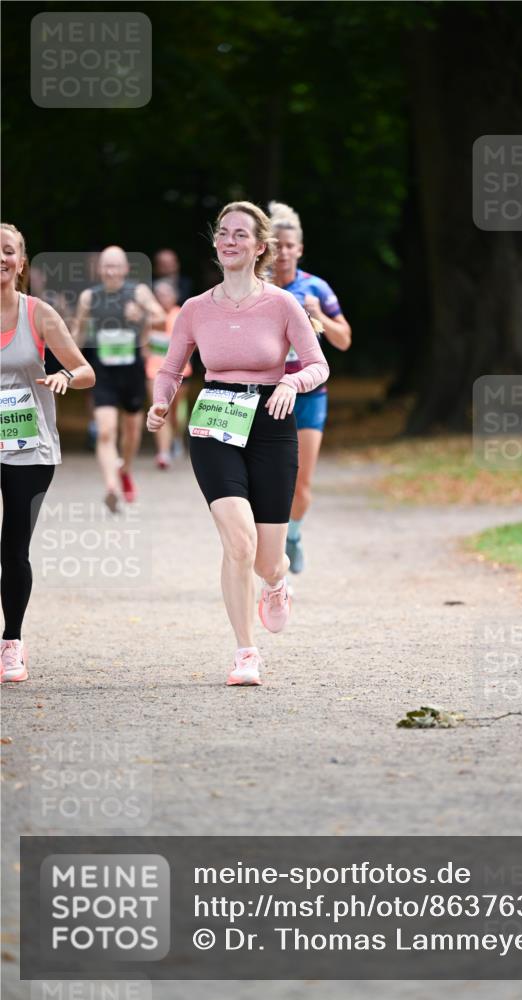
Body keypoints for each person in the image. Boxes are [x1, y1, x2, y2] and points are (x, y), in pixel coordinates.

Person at [147, 201, 329, 686]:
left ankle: (276, 581)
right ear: (215, 243)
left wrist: (291, 383)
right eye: (223, 233)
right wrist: (161, 402)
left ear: (260, 247)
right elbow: (170, 369)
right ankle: (246, 652)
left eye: (241, 234)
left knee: (267, 558)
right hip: (215, 419)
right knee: (238, 542)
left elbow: (318, 365)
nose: (229, 240)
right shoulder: (195, 308)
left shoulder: (282, 304)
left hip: (271, 420)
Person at [1, 223, 95, 682]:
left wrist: (64, 377)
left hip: (29, 447)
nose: (0, 258)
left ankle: (11, 643)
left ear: (21, 262)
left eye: (7, 251)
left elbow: (85, 370)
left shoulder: (38, 314)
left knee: (13, 547)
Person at [268, 201, 351, 572]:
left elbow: (344, 340)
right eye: (277, 245)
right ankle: (269, 547)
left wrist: (318, 316)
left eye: (290, 246)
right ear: (267, 247)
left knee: (301, 484)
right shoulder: (258, 288)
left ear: (299, 249)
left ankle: (294, 535)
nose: (283, 252)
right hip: (268, 395)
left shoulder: (316, 288)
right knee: (269, 479)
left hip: (309, 396)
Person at [72, 246, 165, 511]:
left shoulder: (138, 292)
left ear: (125, 269)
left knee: (132, 432)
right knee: (105, 431)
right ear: (99, 269)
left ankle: (125, 470)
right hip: (103, 372)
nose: (111, 271)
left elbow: (161, 318)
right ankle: (111, 487)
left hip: (132, 369)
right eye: (106, 266)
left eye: (115, 266)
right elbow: (78, 332)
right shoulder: (89, 297)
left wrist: (142, 315)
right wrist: (72, 361)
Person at [145, 280, 192, 469]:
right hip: (153, 371)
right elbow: (143, 344)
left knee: (175, 412)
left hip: (180, 371)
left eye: (166, 294)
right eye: (159, 295)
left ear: (174, 296)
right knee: (160, 409)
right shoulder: (149, 318)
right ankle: (163, 452)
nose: (162, 298)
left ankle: (177, 439)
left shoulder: (181, 314)